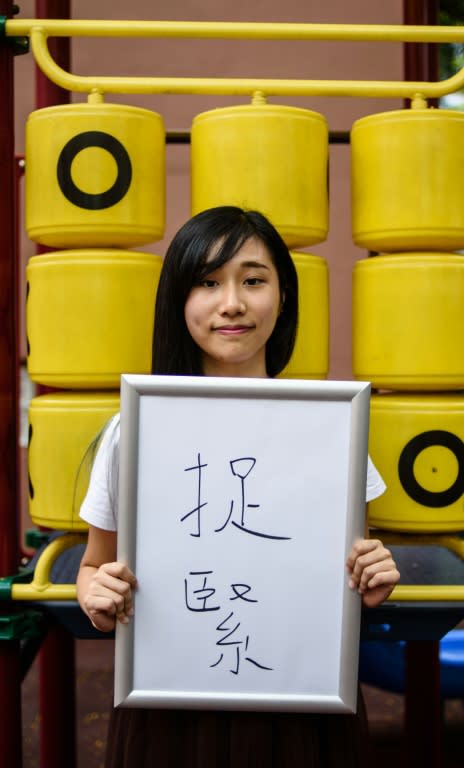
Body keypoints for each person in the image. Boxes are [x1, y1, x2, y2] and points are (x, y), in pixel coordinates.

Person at [76, 205, 400, 768]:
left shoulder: (333, 428)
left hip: (303, 705)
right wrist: (96, 596)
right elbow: (92, 568)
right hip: (169, 702)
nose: (232, 302)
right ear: (179, 300)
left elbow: (348, 573)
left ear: (283, 297)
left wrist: (369, 579)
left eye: (253, 280)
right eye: (207, 282)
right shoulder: (135, 430)